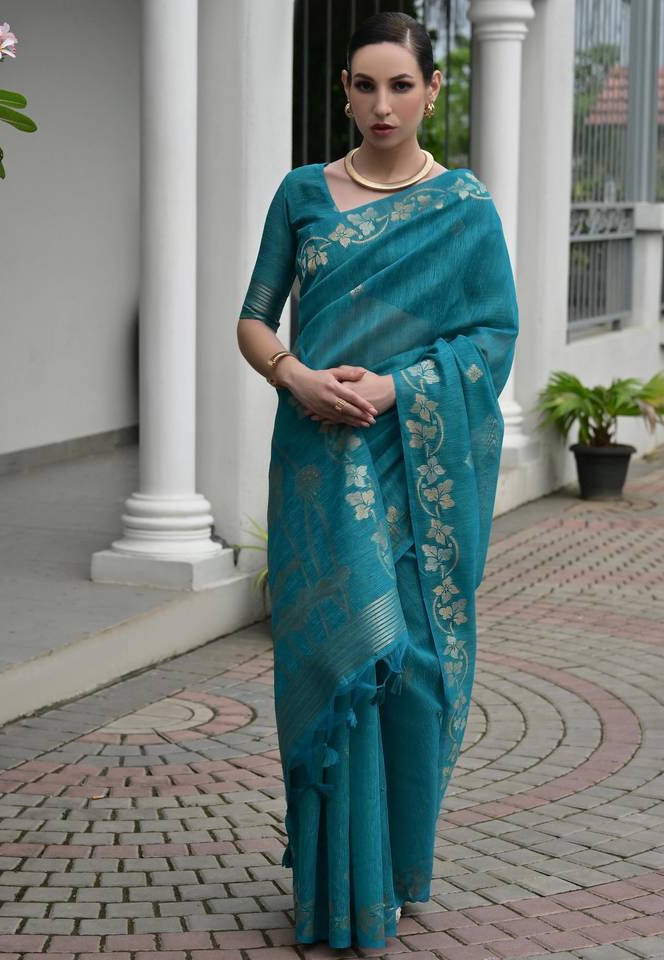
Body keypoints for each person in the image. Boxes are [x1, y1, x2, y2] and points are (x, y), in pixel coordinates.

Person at [236, 10, 519, 949]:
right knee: (338, 654)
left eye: (401, 85)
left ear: (433, 90)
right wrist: (295, 376)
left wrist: (400, 388)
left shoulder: (464, 209)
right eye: (366, 85)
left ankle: (388, 875)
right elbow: (254, 319)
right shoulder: (302, 193)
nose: (383, 104)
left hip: (411, 458)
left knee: (412, 666)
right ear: (345, 92)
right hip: (317, 459)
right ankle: (332, 886)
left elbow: (492, 338)